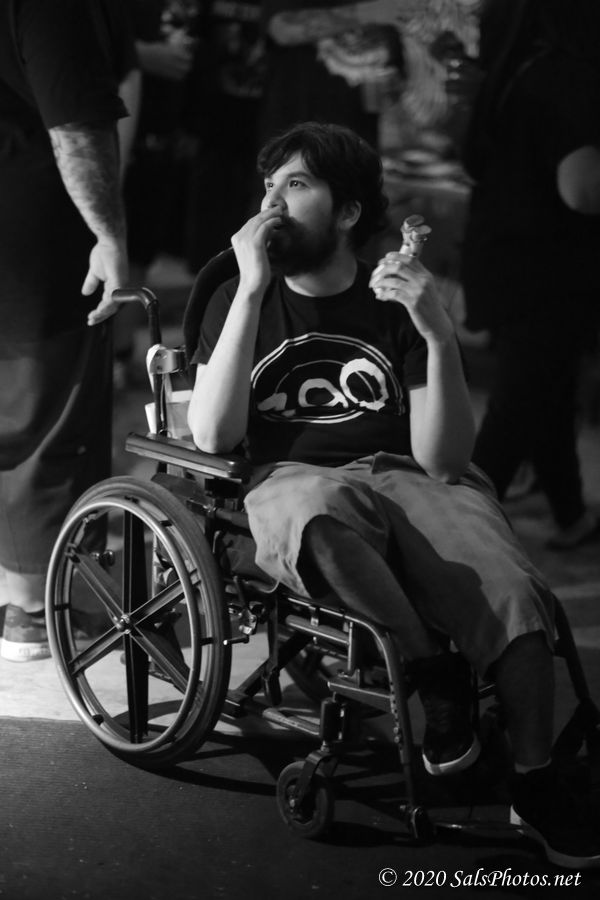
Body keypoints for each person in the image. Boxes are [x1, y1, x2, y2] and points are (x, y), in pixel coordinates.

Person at [186, 121, 599, 869]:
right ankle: (430, 670)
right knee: (316, 513)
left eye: (295, 185)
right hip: (291, 478)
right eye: (268, 186)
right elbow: (214, 436)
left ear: (348, 212)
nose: (271, 203)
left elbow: (444, 460)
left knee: (514, 593)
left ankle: (536, 781)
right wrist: (248, 288)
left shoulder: (391, 299)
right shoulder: (236, 295)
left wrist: (436, 334)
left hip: (403, 471)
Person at [0, 0, 131, 662]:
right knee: (45, 406)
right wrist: (108, 232)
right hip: (30, 221)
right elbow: (76, 123)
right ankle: (30, 608)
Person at [460, 0, 600, 550]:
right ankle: (454, 536)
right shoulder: (569, 75)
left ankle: (571, 515)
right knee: (517, 411)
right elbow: (582, 190)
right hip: (546, 272)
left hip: (509, 258)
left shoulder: (522, 64)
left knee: (547, 393)